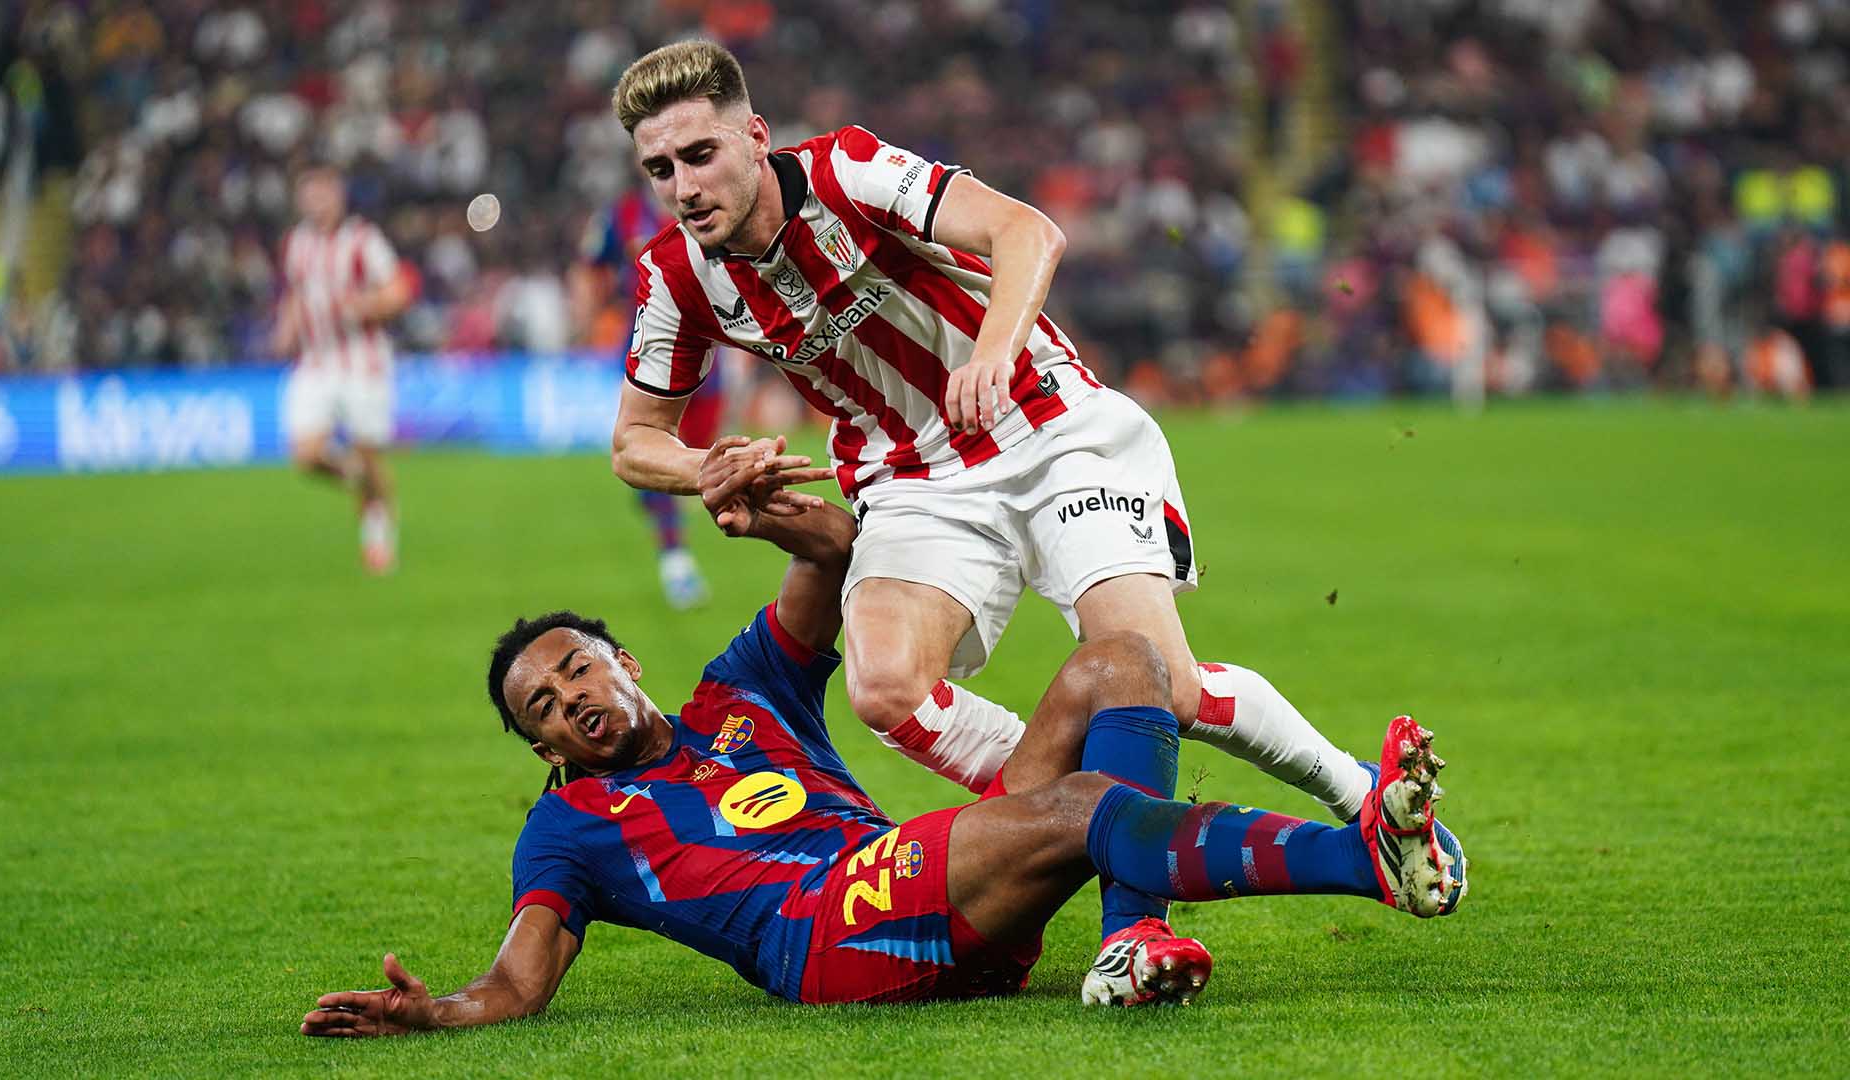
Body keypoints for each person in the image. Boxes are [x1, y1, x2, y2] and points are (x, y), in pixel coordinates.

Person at [602, 41, 1431, 987]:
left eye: (700, 154)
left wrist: (994, 352)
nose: (683, 187)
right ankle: (1101, 854)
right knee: (885, 685)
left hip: (1045, 424)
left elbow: (1027, 232)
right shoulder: (674, 275)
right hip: (910, 476)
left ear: (754, 137)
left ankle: (1356, 795)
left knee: (1161, 682)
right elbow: (634, 442)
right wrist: (706, 468)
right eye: (659, 169)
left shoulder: (845, 170)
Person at [297, 441, 1467, 1033]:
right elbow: (519, 980)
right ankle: (1366, 856)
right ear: (545, 752)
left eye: (574, 669)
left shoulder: (740, 691)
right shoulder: (568, 831)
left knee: (1120, 664)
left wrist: (765, 514)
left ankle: (1130, 937)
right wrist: (438, 1010)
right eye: (545, 711)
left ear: (622, 660)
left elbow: (835, 557)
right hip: (828, 937)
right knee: (1075, 809)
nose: (571, 701)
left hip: (906, 878)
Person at [572, 182, 730, 609]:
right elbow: (590, 265)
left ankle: (654, 497)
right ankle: (675, 559)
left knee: (698, 455)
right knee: (656, 444)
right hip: (651, 346)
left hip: (711, 343)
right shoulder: (621, 215)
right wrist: (588, 317)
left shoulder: (709, 201)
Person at [270, 163, 414, 574]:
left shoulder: (364, 240)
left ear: (339, 197)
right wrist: (285, 329)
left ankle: (377, 541)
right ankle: (357, 476)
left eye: (324, 194)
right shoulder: (295, 244)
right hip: (315, 362)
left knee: (369, 453)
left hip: (362, 363)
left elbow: (399, 291)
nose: (317, 202)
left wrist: (363, 305)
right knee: (306, 455)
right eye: (310, 195)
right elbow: (297, 293)